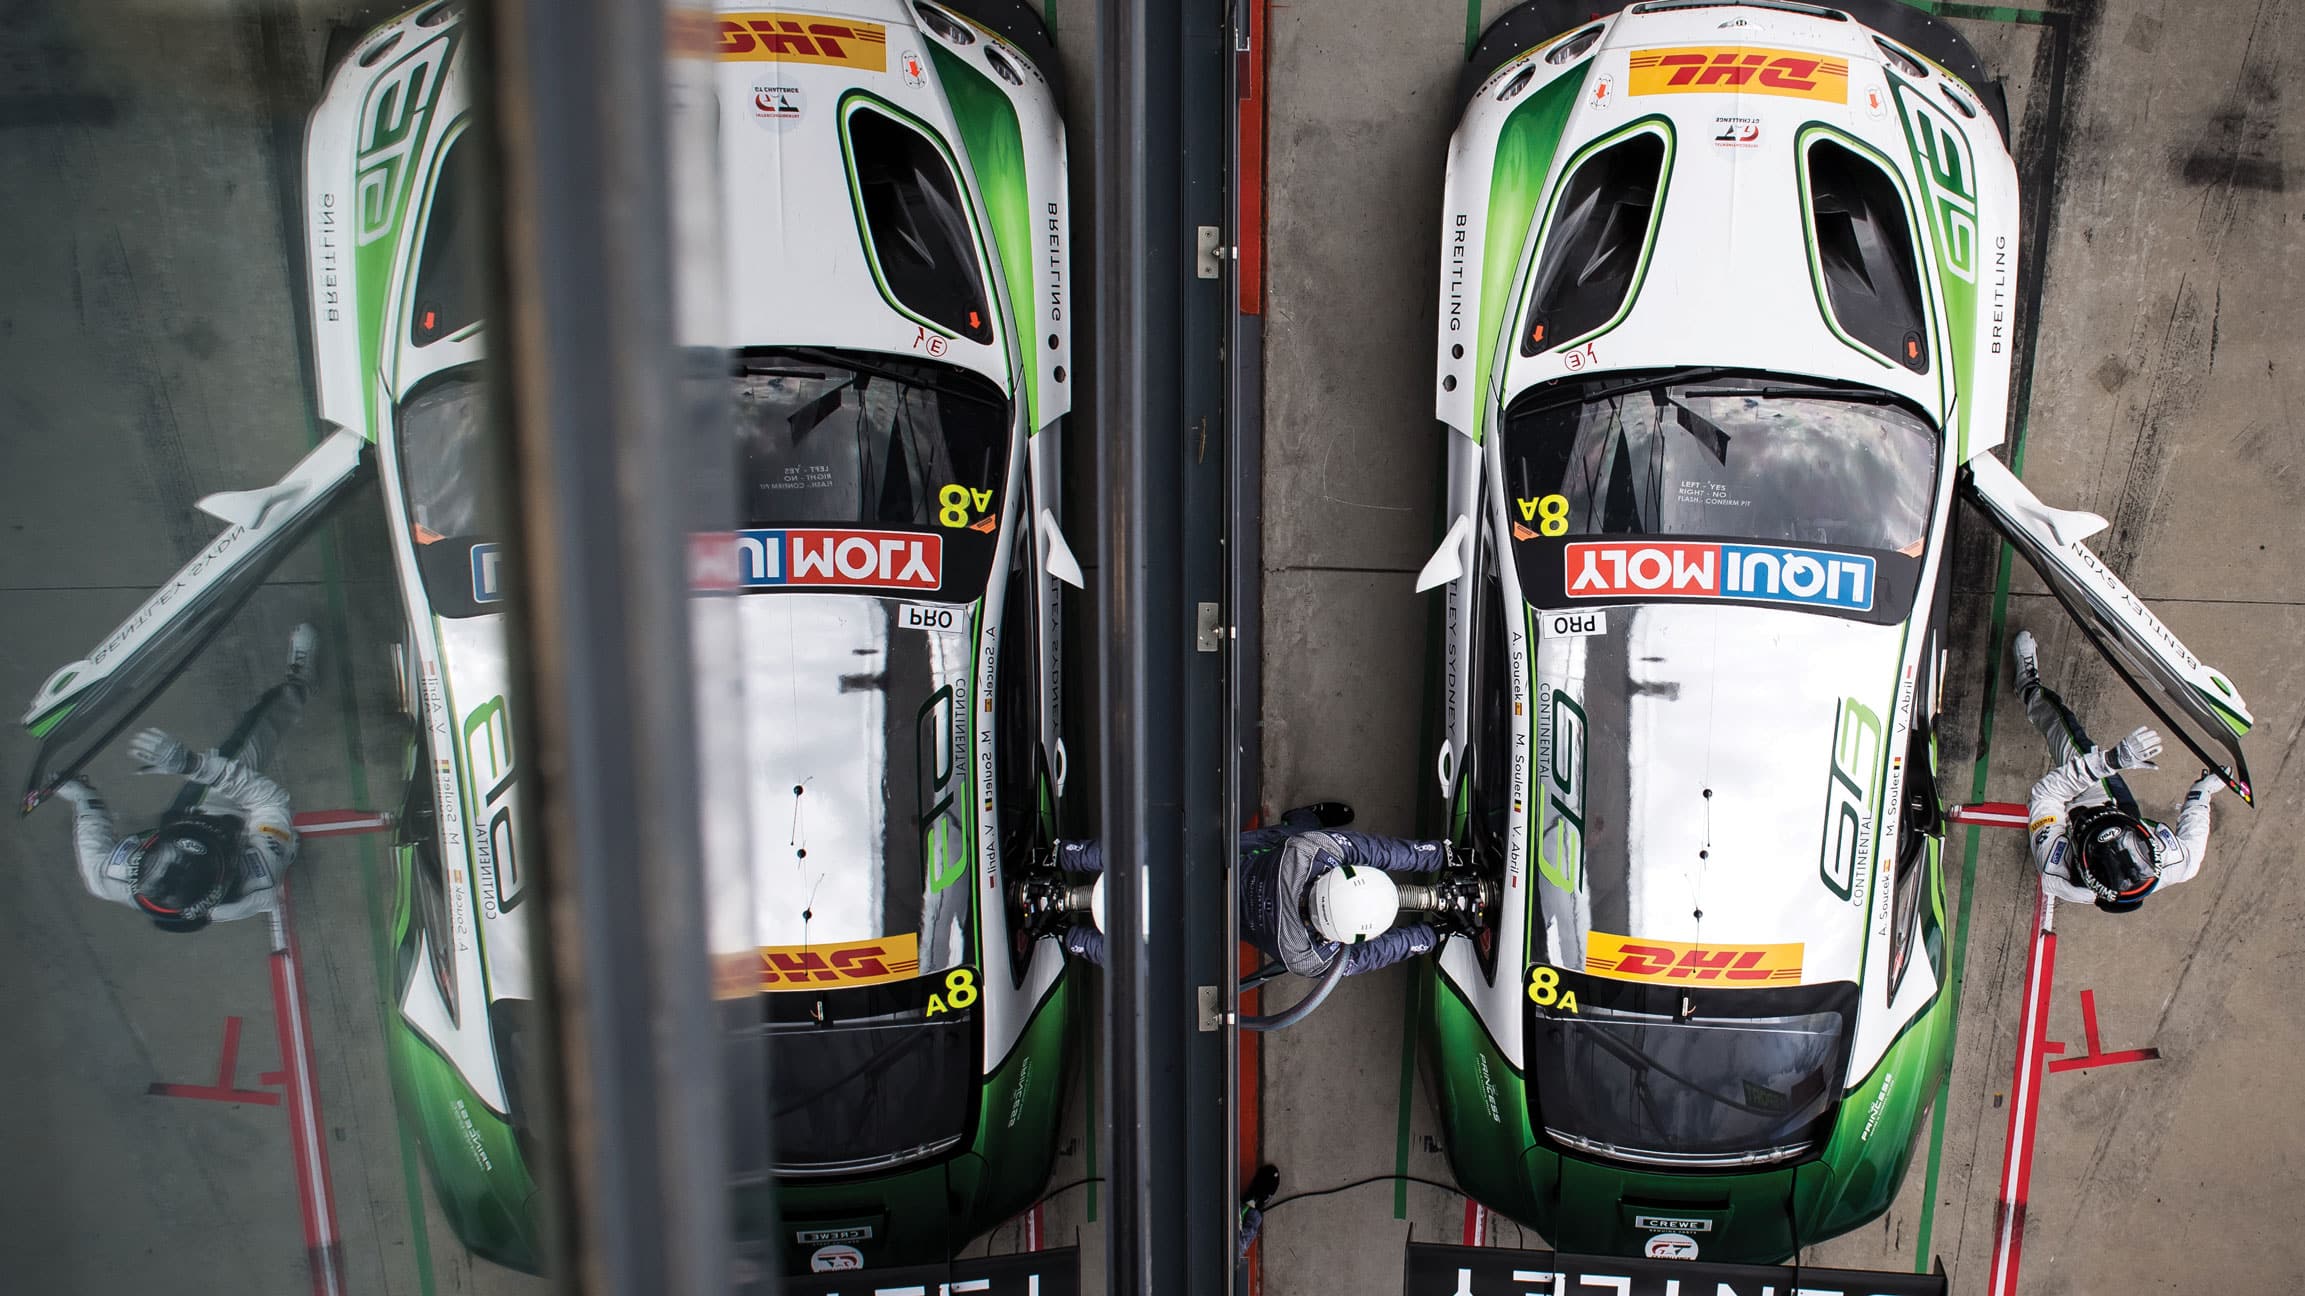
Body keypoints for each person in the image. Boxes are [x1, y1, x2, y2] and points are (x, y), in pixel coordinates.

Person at [53, 624, 317, 933]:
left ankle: (280, 840)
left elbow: (92, 837)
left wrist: (85, 798)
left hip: (202, 820)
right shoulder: (258, 878)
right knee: (249, 750)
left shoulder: (109, 877)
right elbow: (270, 799)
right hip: (239, 842)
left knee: (240, 751)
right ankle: (298, 685)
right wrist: (195, 765)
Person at [1054, 802, 1444, 975]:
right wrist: (1425, 937)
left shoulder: (1313, 850)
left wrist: (1434, 860)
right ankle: (1073, 941)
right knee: (1155, 965)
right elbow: (1370, 955)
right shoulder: (1309, 959)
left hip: (1220, 866)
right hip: (1212, 924)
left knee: (1140, 849)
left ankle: (1066, 856)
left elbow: (1374, 851)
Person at [2013, 629, 2220, 913]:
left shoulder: (2054, 868)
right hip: (2111, 803)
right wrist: (2201, 792)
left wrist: (2108, 762)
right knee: (2070, 732)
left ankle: (2028, 687)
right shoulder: (2176, 862)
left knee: (2067, 743)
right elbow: (2193, 834)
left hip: (2066, 816)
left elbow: (2046, 794)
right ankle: (2034, 694)